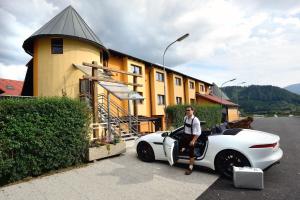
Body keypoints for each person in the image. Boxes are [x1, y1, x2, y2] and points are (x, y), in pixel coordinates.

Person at [179, 105, 201, 175]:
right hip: (185, 135)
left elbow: (199, 132)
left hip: (192, 137)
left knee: (191, 153)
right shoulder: (185, 118)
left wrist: (193, 140)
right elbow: (185, 128)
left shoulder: (195, 120)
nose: (187, 111)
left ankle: (190, 167)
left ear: (192, 111)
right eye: (186, 110)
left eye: (189, 110)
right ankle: (184, 148)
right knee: (179, 145)